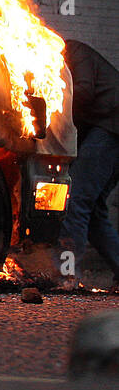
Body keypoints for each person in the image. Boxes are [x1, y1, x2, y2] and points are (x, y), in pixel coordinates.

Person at [58, 40, 119, 287]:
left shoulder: (74, 52)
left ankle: (66, 275)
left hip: (110, 128)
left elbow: (83, 91)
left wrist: (53, 107)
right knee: (93, 212)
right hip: (108, 129)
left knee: (76, 201)